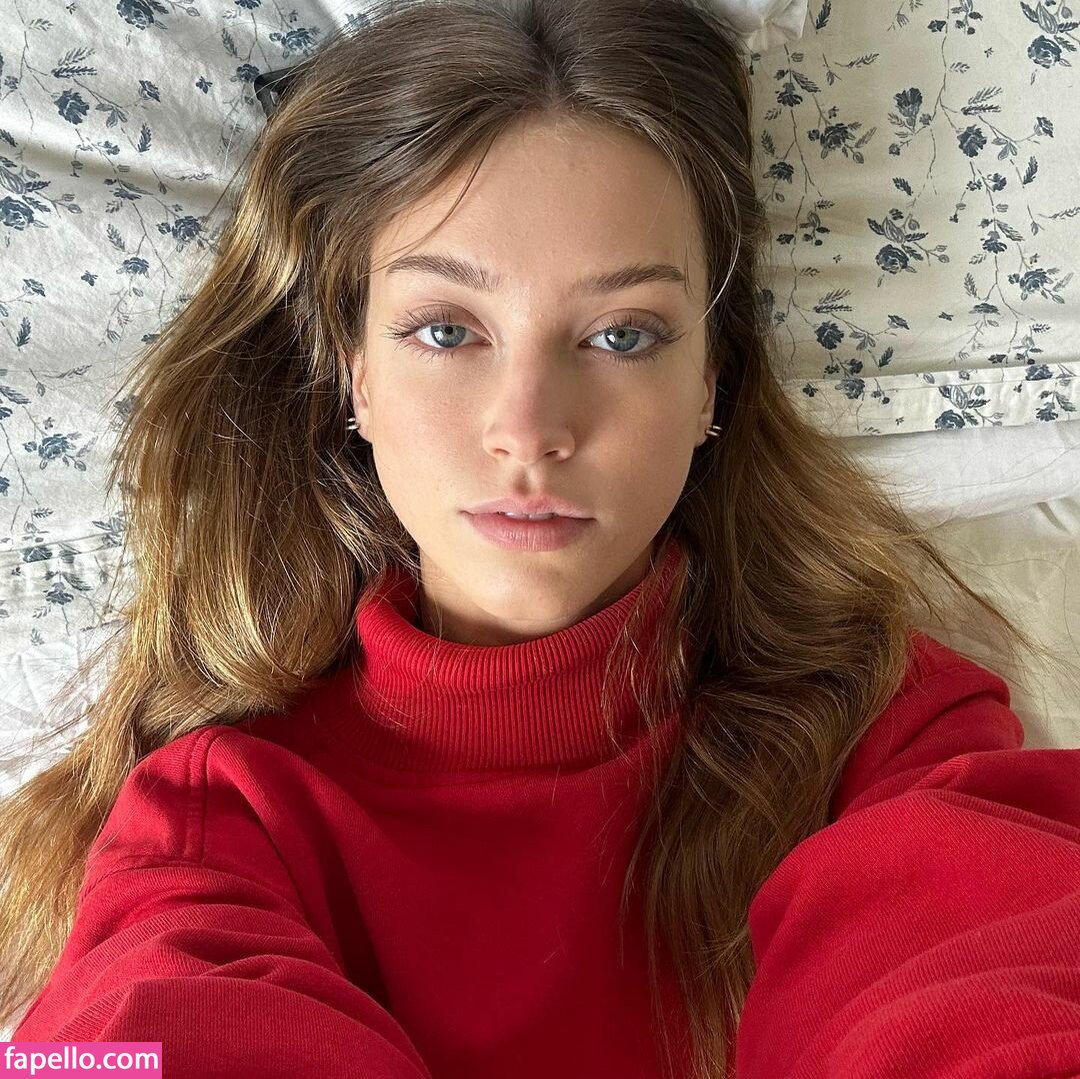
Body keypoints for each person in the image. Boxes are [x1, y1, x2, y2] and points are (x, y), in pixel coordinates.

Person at [1, 0, 1078, 1076]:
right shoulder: (218, 818)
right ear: (355, 373)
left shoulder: (895, 738)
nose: (530, 429)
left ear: (710, 380)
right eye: (446, 330)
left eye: (623, 334)